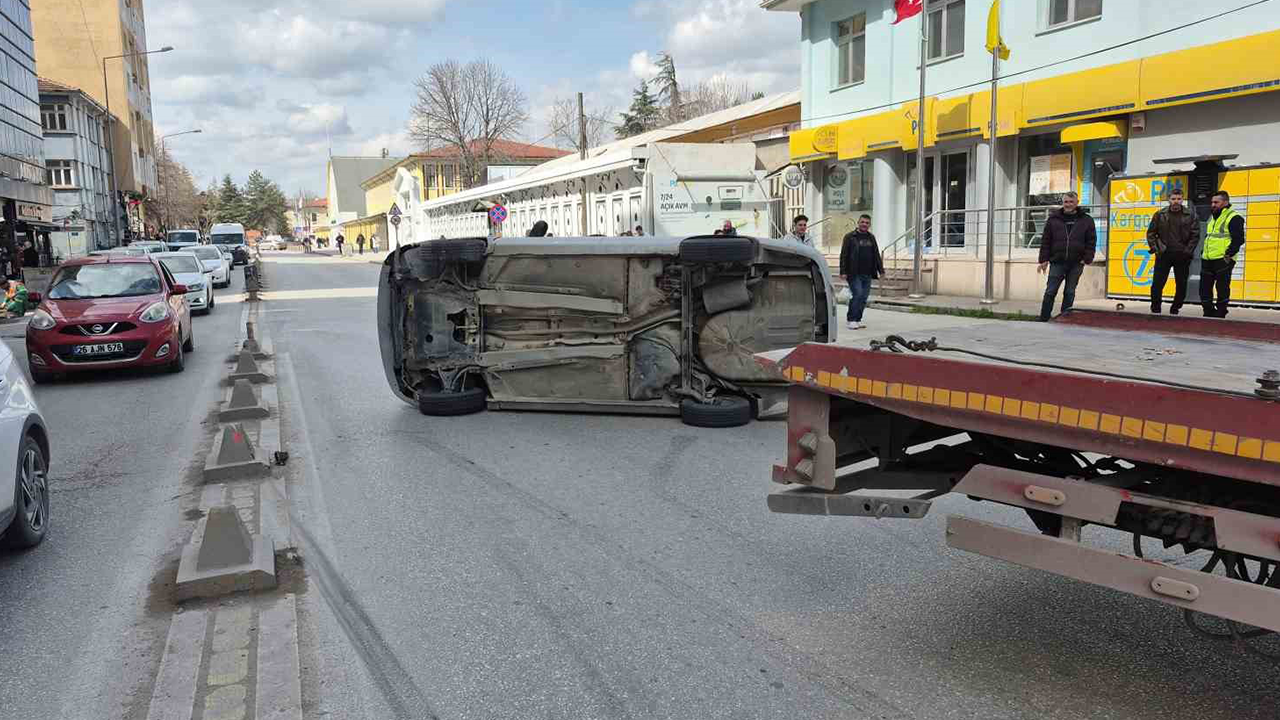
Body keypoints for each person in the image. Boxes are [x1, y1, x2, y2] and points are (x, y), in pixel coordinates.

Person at [1037, 192, 1097, 322]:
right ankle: (1044, 318)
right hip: (1057, 261)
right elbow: (1046, 240)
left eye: (1071, 202)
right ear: (1063, 203)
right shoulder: (1053, 219)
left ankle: (1065, 319)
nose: (1068, 204)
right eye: (1066, 202)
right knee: (1050, 291)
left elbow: (1091, 241)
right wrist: (1043, 259)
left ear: (1077, 203)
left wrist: (1087, 258)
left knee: (1070, 292)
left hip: (1076, 262)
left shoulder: (1087, 220)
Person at [1145, 188, 1198, 315]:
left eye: (1179, 199)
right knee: (1157, 283)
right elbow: (1151, 233)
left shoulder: (1191, 215)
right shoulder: (1160, 214)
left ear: (1182, 199)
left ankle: (1176, 307)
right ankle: (1156, 307)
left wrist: (1188, 251)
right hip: (1164, 254)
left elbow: (1195, 235)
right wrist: (1156, 249)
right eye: (1173, 199)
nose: (1176, 201)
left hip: (1182, 255)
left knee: (1181, 284)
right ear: (1169, 200)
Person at [1201, 190, 1245, 318]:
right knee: (1204, 288)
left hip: (1223, 259)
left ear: (1225, 202)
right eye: (1212, 202)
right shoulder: (1213, 216)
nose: (1213, 204)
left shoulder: (1234, 217)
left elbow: (1239, 239)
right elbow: (1209, 237)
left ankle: (1221, 312)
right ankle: (1208, 311)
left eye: (1216, 202)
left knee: (1222, 287)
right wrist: (1203, 252)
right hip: (1208, 257)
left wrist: (1228, 255)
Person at [838, 214, 883, 330]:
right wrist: (843, 271)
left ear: (870, 225)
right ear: (858, 223)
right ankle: (851, 319)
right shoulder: (850, 237)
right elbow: (844, 255)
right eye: (862, 222)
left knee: (863, 297)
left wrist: (881, 270)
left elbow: (876, 254)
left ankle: (857, 319)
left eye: (867, 223)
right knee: (857, 294)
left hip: (867, 273)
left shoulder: (871, 237)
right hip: (853, 272)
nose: (864, 224)